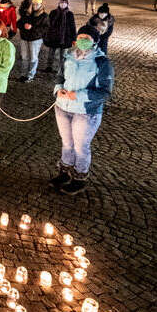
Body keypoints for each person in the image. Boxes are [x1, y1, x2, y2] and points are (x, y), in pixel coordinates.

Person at [52, 26, 113, 194]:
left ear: (95, 41)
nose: (83, 39)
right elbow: (60, 76)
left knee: (81, 146)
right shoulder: (68, 56)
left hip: (86, 112)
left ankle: (80, 177)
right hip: (63, 108)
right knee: (67, 143)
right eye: (81, 36)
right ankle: (64, 173)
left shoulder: (102, 62)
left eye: (87, 37)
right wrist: (58, 89)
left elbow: (105, 92)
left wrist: (78, 95)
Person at [17, 0, 48, 81]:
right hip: (24, 38)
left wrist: (32, 27)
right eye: (34, 4)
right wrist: (23, 26)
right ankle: (23, 74)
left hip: (35, 40)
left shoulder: (44, 16)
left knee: (33, 58)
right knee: (24, 57)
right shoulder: (27, 14)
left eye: (37, 4)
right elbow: (18, 23)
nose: (35, 6)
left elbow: (45, 28)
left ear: (41, 5)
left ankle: (30, 75)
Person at [44, 0, 77, 74]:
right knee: (51, 53)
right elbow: (48, 24)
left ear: (67, 4)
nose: (63, 4)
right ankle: (49, 67)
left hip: (65, 38)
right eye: (61, 3)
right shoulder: (53, 12)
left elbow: (73, 26)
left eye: (65, 3)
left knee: (63, 55)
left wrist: (74, 38)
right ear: (59, 3)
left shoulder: (70, 14)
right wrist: (46, 35)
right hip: (53, 36)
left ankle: (62, 69)